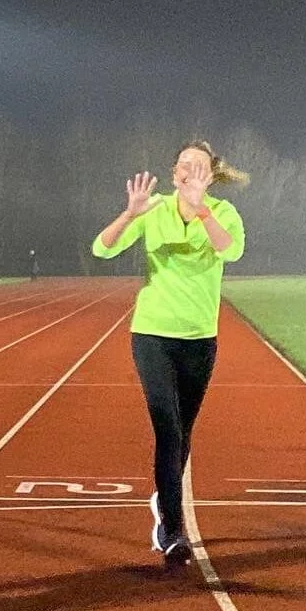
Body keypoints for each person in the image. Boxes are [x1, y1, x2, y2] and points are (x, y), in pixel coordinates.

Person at [92, 141, 246, 567]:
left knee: (184, 430)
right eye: (182, 165)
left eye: (197, 167)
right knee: (168, 428)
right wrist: (130, 213)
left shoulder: (223, 213)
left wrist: (202, 210)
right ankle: (174, 529)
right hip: (152, 333)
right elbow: (102, 248)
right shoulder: (154, 208)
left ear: (210, 176)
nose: (188, 172)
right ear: (174, 171)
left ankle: (164, 497)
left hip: (199, 337)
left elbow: (229, 249)